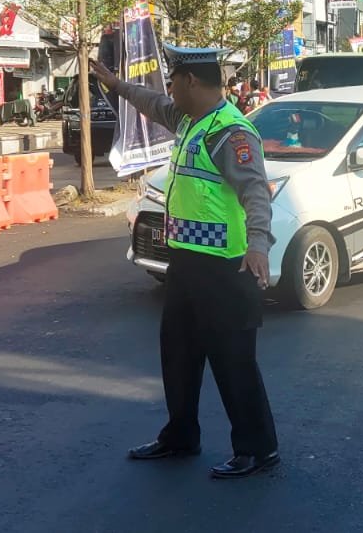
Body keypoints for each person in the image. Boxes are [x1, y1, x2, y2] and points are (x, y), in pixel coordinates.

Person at [89, 45, 281, 480]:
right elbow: (152, 103)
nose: (169, 89)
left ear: (192, 81)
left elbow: (256, 191)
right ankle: (180, 435)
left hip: (226, 268)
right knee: (178, 353)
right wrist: (115, 85)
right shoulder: (190, 120)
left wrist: (258, 245)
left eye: (173, 80)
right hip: (186, 263)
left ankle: (258, 449)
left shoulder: (231, 132)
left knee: (233, 362)